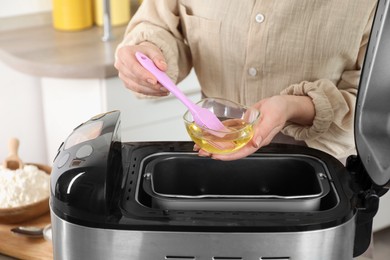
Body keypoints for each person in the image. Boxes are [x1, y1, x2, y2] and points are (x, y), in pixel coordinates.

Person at [115, 1, 377, 258]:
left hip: (325, 183)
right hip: (213, 162)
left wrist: (293, 107)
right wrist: (149, 52)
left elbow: (374, 102)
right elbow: (160, 25)